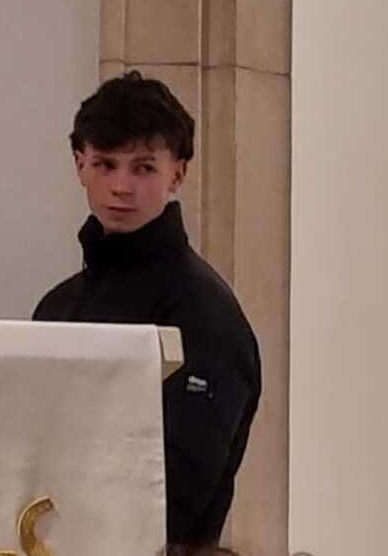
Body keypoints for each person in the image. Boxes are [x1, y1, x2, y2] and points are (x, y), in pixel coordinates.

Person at [33, 72, 261, 549]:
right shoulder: (57, 307)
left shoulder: (205, 313)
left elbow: (179, 492)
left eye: (143, 168)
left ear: (177, 173)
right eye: (105, 164)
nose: (121, 186)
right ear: (79, 164)